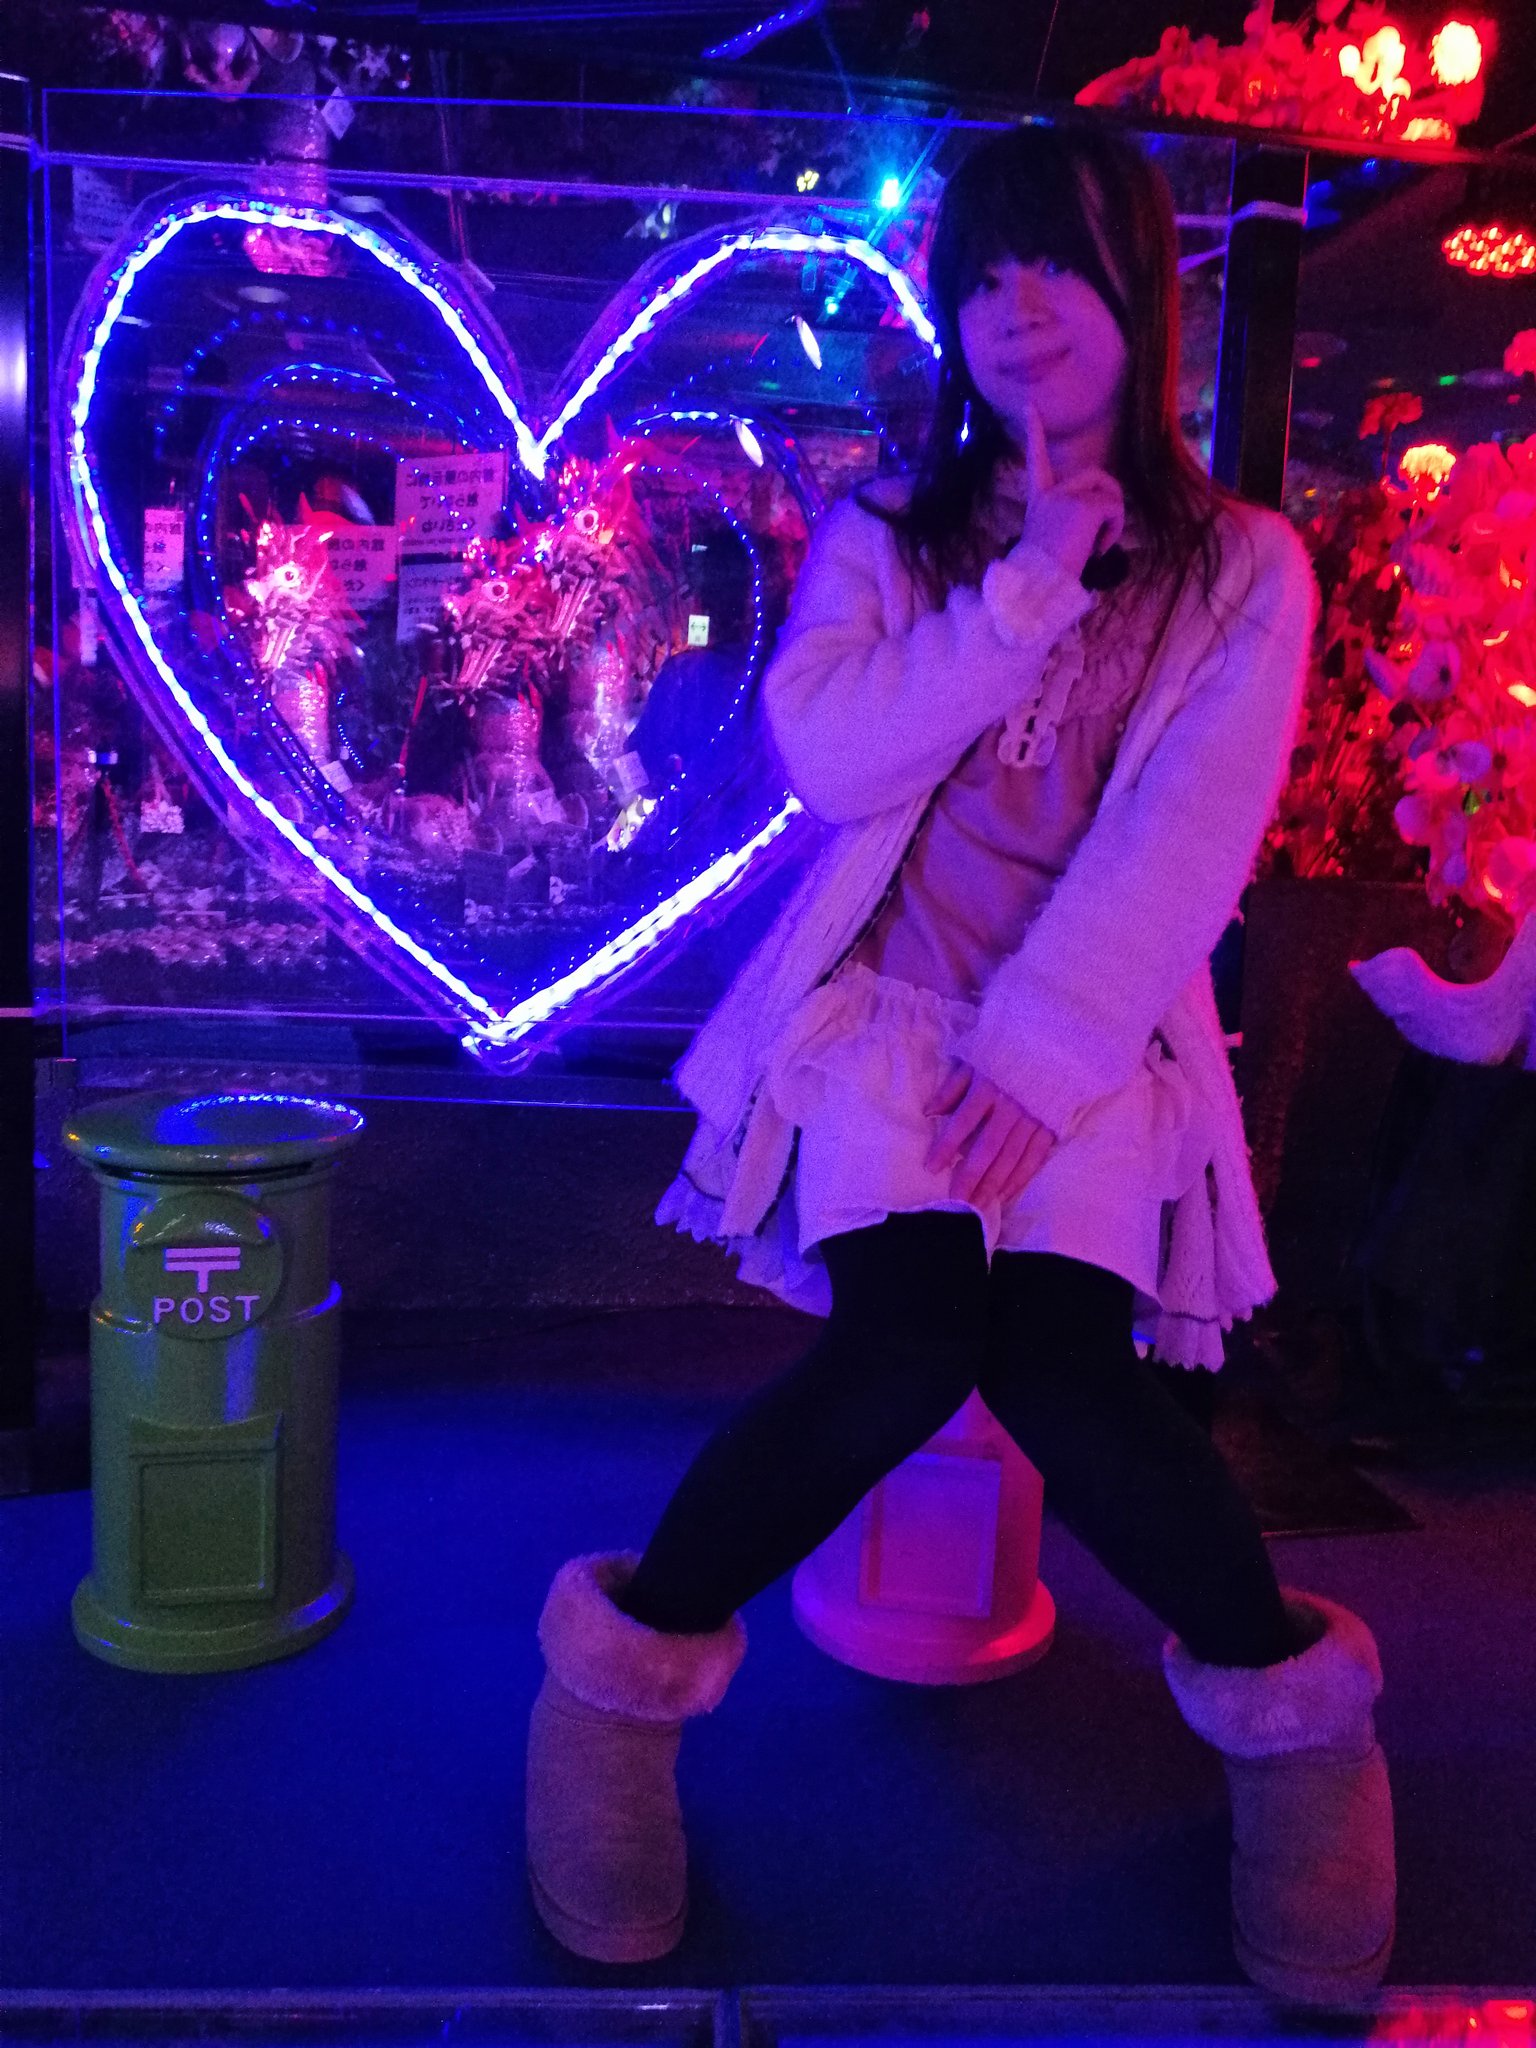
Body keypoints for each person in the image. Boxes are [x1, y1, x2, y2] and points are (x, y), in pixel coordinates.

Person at [525, 119, 1395, 2007]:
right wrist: (1022, 596)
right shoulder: (886, 538)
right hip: (880, 1028)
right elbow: (832, 761)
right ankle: (611, 1708)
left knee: (1071, 1380)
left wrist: (1045, 1049)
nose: (1019, 307)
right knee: (909, 1342)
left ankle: (1304, 1750)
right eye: (983, 274)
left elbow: (1186, 835)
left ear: (1140, 288)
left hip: (1094, 1039)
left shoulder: (1241, 567)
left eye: (1057, 260)